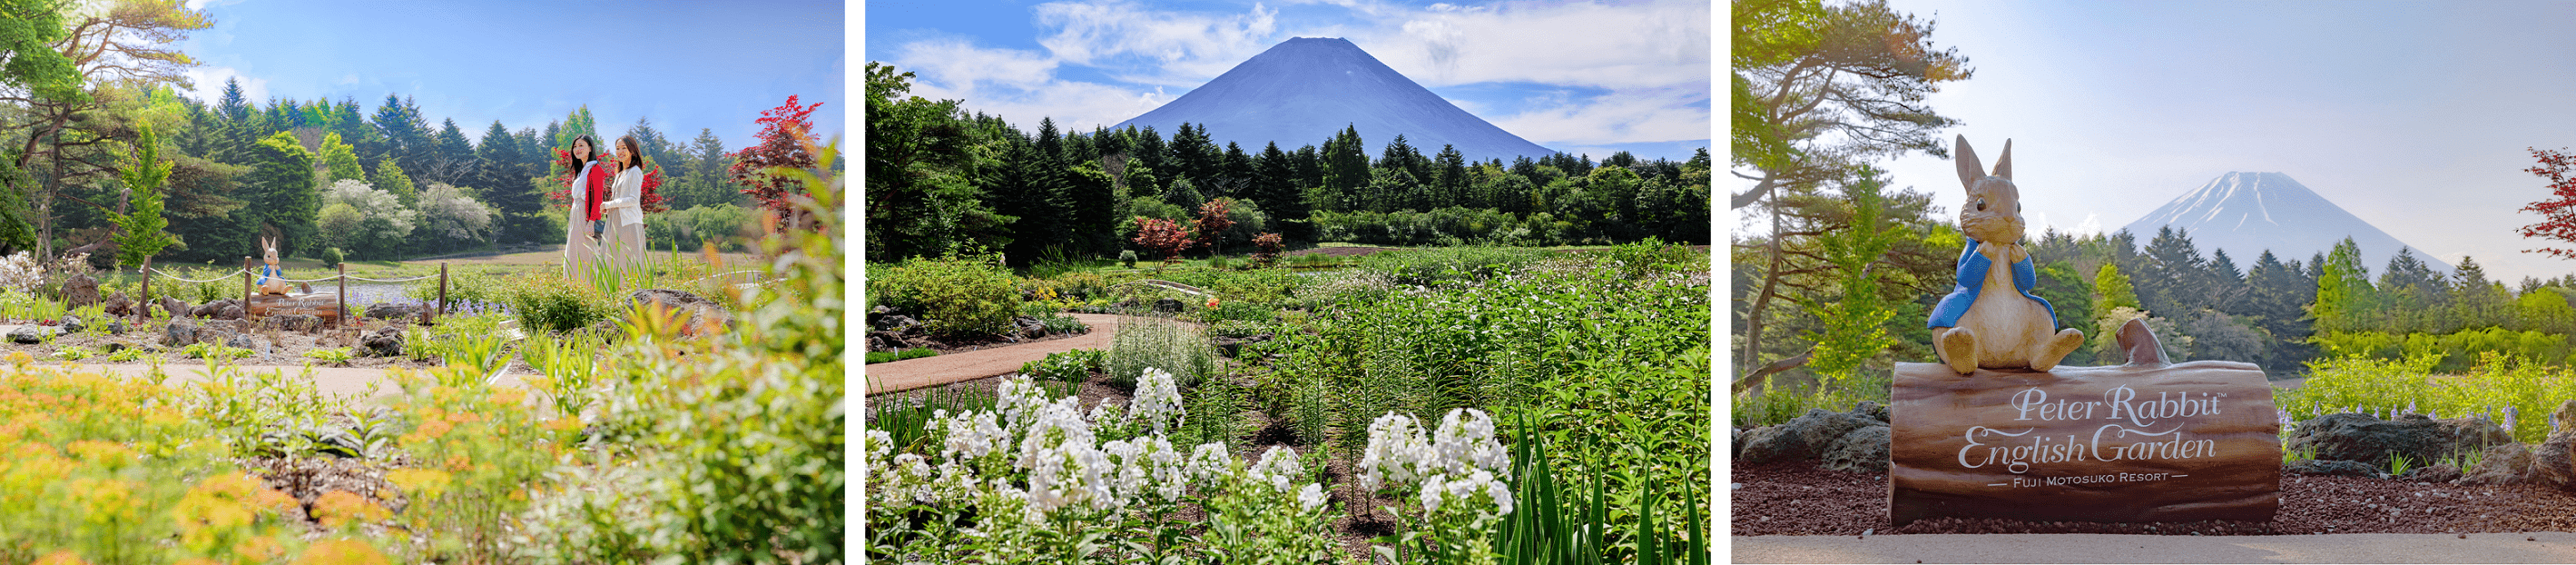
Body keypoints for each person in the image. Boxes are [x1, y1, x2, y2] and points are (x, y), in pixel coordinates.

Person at [601, 135, 649, 266]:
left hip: (628, 222)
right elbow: (619, 198)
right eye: (617, 148)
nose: (620, 151)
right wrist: (608, 208)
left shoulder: (635, 171)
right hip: (615, 220)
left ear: (632, 151)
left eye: (624, 148)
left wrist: (609, 204)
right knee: (612, 261)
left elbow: (633, 200)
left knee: (626, 262)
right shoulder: (620, 173)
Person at [562, 134, 605, 278]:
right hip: (576, 211)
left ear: (590, 148)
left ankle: (589, 287)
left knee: (586, 251)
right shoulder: (581, 170)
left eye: (581, 145)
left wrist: (592, 222)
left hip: (585, 215)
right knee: (574, 250)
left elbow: (597, 198)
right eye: (575, 146)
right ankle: (573, 285)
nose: (577, 149)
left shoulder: (595, 169)